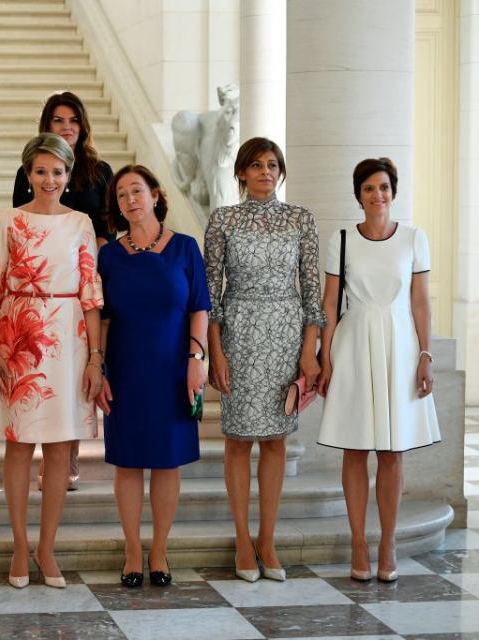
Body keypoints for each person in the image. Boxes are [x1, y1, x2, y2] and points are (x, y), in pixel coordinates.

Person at [0, 133, 104, 588]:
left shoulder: (81, 223)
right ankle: (17, 544)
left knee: (58, 448)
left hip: (68, 339)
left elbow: (91, 294)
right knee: (17, 444)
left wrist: (94, 357)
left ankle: (46, 548)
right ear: (27, 173)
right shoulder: (9, 221)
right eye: (41, 170)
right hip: (19, 334)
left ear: (68, 176)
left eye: (58, 171)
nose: (49, 179)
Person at [203, 137, 325, 582]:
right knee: (237, 441)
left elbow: (313, 292)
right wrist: (215, 352)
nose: (265, 172)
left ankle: (267, 539)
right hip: (237, 333)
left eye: (273, 165)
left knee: (275, 440)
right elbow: (209, 296)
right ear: (240, 172)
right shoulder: (222, 221)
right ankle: (241, 538)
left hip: (286, 335)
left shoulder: (300, 219)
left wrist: (309, 350)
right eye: (255, 165)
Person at [317, 158, 440, 583]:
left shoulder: (413, 238)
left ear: (394, 191)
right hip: (353, 343)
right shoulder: (342, 239)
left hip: (401, 344)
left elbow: (421, 301)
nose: (377, 195)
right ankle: (358, 540)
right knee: (354, 447)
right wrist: (324, 357)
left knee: (392, 450)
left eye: (384, 187)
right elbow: (329, 305)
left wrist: (426, 354)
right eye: (369, 188)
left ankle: (387, 542)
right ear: (358, 195)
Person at [96, 165, 210, 588]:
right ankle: (131, 550)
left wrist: (196, 358)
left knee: (166, 463)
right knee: (127, 463)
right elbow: (102, 318)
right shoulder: (109, 255)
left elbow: (199, 306)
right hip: (125, 368)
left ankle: (159, 549)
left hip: (173, 369)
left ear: (156, 195)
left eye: (137, 191)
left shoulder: (184, 248)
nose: (130, 200)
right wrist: (100, 367)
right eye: (122, 195)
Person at [12, 91, 114, 491]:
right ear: (47, 124)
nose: (66, 126)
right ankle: (43, 453)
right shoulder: (29, 170)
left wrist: (96, 259)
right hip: (40, 285)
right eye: (58, 120)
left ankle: (66, 456)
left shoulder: (99, 170)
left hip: (84, 277)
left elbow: (107, 225)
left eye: (73, 119)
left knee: (72, 375)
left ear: (82, 125)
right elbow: (24, 225)